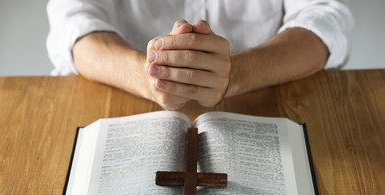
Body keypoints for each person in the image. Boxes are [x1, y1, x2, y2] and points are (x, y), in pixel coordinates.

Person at [47, 1, 354, 110]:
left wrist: (236, 73)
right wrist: (151, 77)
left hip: (264, 107)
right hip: (121, 107)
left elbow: (325, 20)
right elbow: (74, 25)